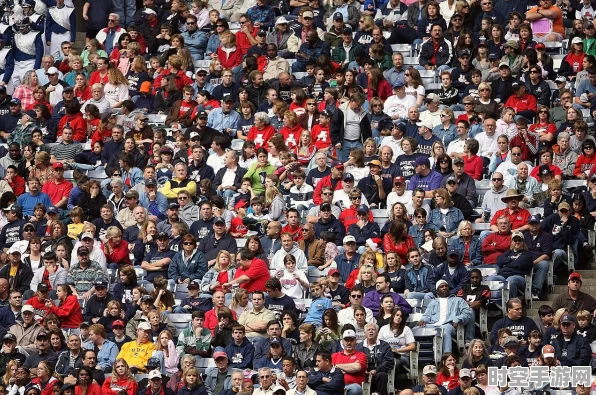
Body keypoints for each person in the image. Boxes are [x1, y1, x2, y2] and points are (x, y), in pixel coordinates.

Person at [417, 280, 473, 353]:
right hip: (433, 324)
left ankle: (447, 356)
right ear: (437, 291)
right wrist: (423, 320)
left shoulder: (458, 300)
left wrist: (457, 319)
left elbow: (467, 312)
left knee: (444, 331)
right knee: (416, 328)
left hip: (449, 325)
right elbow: (427, 315)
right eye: (441, 286)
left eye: (446, 286)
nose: (444, 288)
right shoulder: (433, 302)